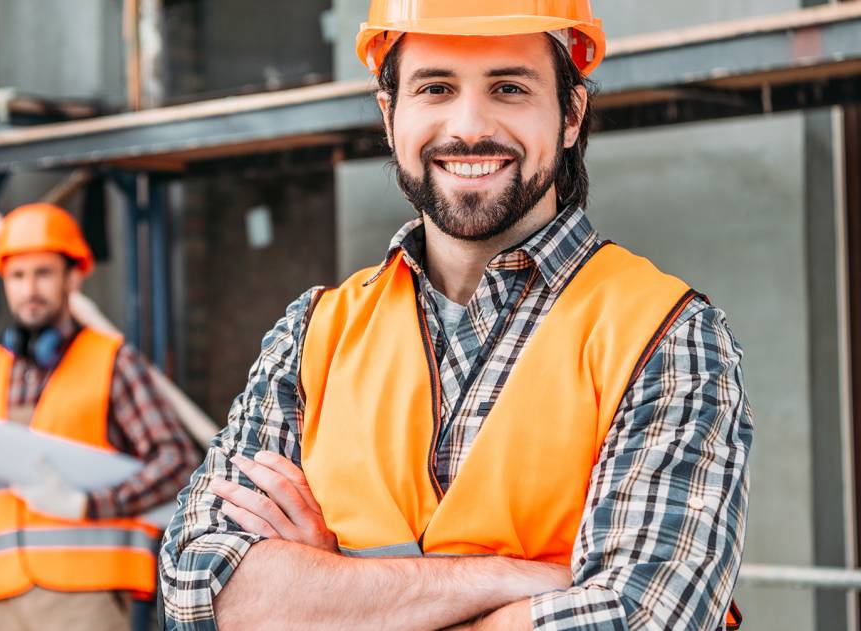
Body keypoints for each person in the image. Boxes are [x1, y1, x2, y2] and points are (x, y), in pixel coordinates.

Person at [160, 1, 752, 629]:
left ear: (572, 114)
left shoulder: (665, 336)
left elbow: (643, 619)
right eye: (436, 87)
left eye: (509, 87)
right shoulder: (312, 336)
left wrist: (334, 588)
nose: (469, 126)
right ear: (390, 115)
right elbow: (202, 595)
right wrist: (507, 579)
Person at [0, 204, 203, 631]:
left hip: (86, 603)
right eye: (18, 276)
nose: (30, 289)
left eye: (43, 273)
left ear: (73, 278)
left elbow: (178, 462)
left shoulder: (112, 361)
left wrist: (89, 504)